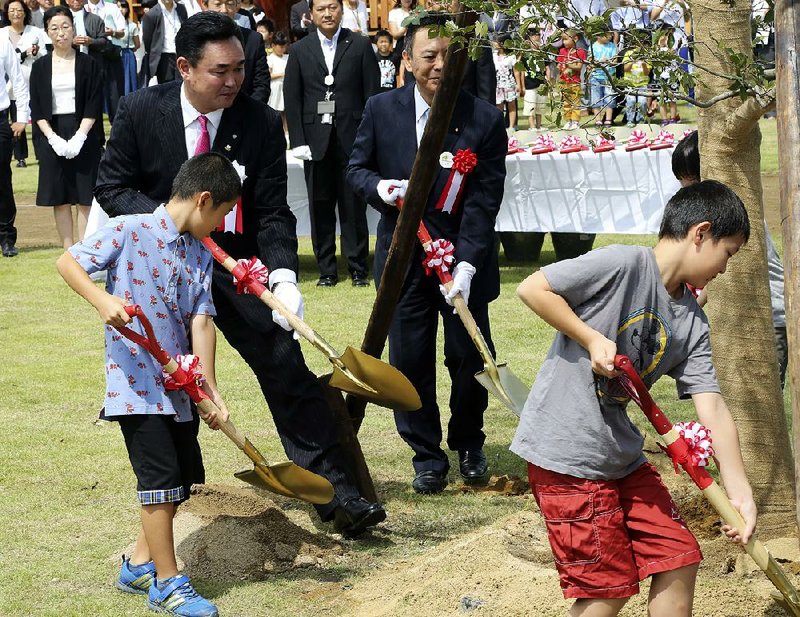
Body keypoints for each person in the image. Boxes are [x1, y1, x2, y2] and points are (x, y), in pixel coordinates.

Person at [95, 11, 386, 538]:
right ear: (185, 67)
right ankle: (186, 504)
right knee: (178, 386)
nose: (233, 81)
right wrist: (173, 224)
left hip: (238, 269)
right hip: (165, 275)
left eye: (240, 69)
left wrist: (282, 275)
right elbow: (111, 188)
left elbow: (274, 208)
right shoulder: (140, 110)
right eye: (220, 71)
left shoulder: (256, 120)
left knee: (286, 368)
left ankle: (338, 496)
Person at [513, 179, 758, 614]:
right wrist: (590, 338)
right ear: (700, 233)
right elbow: (532, 288)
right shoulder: (623, 264)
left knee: (678, 557)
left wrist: (740, 494)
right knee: (608, 588)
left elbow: (713, 409)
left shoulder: (693, 323)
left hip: (621, 458)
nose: (725, 268)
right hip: (567, 454)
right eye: (729, 253)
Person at [57, 152, 238, 617]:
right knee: (158, 483)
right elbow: (68, 263)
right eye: (220, 214)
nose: (219, 226)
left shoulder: (199, 252)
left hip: (179, 390)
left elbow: (202, 320)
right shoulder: (129, 229)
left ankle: (138, 564)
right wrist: (101, 300)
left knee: (179, 481)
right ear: (203, 200)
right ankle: (167, 583)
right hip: (135, 389)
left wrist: (209, 388)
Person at [347, 13, 507, 494]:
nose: (438, 65)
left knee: (469, 356)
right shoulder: (381, 109)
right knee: (409, 358)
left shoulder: (484, 118)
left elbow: (484, 198)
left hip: (461, 261)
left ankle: (469, 441)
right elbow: (356, 170)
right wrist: (383, 188)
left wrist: (468, 261)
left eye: (447, 56)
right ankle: (426, 454)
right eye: (428, 56)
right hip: (404, 261)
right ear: (407, 60)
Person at [672, 131, 788, 388]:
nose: (683, 187)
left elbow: (722, 278)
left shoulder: (732, 221)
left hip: (771, 317)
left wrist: (691, 309)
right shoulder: (722, 213)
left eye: (689, 179)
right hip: (744, 316)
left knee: (760, 394)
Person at [284, 0, 380, 287]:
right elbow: (293, 97)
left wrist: (371, 140)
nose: (327, 13)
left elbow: (373, 96)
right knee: (320, 206)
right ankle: (327, 269)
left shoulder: (360, 45)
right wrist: (298, 139)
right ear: (310, 14)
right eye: (321, 9)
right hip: (315, 142)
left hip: (352, 139)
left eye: (332, 7)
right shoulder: (300, 49)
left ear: (341, 10)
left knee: (353, 207)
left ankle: (358, 268)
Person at [31, 5, 103, 250]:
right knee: (59, 196)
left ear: (73, 29)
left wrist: (80, 137)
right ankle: (69, 250)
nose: (60, 33)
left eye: (65, 26)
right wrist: (52, 138)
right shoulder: (40, 66)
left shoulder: (89, 63)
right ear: (47, 32)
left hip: (84, 130)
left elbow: (94, 102)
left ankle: (85, 250)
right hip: (51, 131)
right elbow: (37, 107)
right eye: (54, 28)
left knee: (85, 196)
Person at [0, 0, 47, 168]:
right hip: (9, 86)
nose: (15, 13)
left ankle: (41, 154)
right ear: (6, 13)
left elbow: (44, 53)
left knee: (37, 120)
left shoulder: (35, 31)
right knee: (15, 119)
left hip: (33, 81)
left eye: (19, 10)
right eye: (12, 10)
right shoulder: (2, 34)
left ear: (25, 12)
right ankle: (20, 156)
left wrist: (35, 52)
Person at [205, 0, 270, 106]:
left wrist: (248, 113)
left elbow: (261, 85)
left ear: (237, 6)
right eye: (218, 4)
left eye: (230, 4)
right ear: (205, 5)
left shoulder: (253, 40)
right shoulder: (194, 39)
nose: (224, 10)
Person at [0, 28, 28, 258]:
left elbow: (17, 79)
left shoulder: (1, 40)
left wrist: (21, 118)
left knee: (1, 180)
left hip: (0, 118)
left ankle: (7, 237)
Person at [84, 0, 125, 123]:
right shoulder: (83, 8)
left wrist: (110, 32)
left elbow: (122, 32)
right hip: (92, 54)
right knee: (93, 94)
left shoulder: (112, 7)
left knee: (115, 93)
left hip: (111, 52)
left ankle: (118, 125)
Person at [141, 0, 187, 83]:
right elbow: (148, 41)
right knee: (167, 89)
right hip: (163, 58)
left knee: (181, 86)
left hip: (180, 55)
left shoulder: (181, 9)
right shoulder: (151, 14)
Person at [520, 28, 549, 131]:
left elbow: (547, 67)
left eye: (538, 39)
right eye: (534, 39)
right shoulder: (524, 55)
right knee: (530, 104)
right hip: (529, 84)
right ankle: (532, 126)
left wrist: (548, 81)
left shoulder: (542, 54)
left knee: (540, 106)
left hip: (541, 83)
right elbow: (521, 70)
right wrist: (522, 85)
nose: (537, 41)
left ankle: (539, 125)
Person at [556, 28, 585, 130]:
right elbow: (559, 65)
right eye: (562, 40)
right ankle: (568, 120)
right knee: (566, 102)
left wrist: (569, 65)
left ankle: (575, 121)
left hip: (575, 82)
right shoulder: (562, 51)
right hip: (564, 81)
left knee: (575, 102)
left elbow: (579, 67)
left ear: (575, 39)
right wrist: (560, 66)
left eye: (566, 39)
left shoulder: (580, 52)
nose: (564, 42)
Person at [589, 30, 616, 125]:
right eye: (606, 35)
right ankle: (598, 120)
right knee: (596, 99)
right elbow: (590, 61)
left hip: (608, 76)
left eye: (610, 35)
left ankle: (608, 119)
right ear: (598, 36)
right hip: (595, 76)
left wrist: (608, 61)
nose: (609, 37)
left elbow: (615, 60)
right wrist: (599, 62)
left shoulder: (612, 46)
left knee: (610, 98)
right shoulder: (593, 46)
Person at [492, 35, 519, 130]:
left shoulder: (511, 57)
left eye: (496, 41)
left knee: (511, 105)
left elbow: (516, 71)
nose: (494, 43)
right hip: (498, 85)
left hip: (509, 84)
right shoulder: (494, 55)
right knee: (499, 106)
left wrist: (518, 84)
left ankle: (511, 126)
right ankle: (500, 126)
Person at [622, 41, 649, 127]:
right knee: (631, 101)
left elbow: (647, 73)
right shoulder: (628, 53)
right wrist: (633, 60)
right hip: (630, 83)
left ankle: (640, 119)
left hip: (642, 83)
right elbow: (625, 69)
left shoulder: (647, 55)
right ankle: (630, 120)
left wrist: (644, 64)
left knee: (643, 102)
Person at [117, 0, 140, 95]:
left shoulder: (132, 25)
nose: (121, 9)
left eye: (123, 7)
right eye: (118, 7)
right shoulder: (111, 25)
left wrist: (130, 50)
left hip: (128, 54)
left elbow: (137, 44)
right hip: (114, 54)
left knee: (130, 81)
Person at [267, 30, 287, 132]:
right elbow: (268, 75)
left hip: (286, 87)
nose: (283, 49)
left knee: (286, 112)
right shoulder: (270, 59)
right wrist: (282, 74)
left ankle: (287, 134)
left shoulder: (287, 57)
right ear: (273, 45)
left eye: (284, 47)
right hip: (276, 87)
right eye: (280, 47)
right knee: (276, 111)